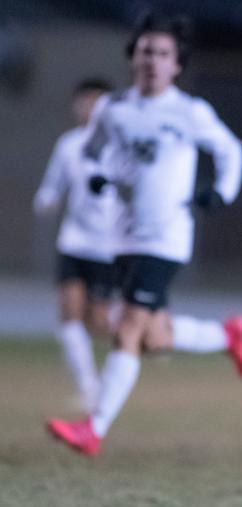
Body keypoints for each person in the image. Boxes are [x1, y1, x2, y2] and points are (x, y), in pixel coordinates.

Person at [45, 10, 242, 456]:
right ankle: (227, 336)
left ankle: (93, 428)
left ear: (176, 64)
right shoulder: (112, 108)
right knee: (153, 335)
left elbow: (230, 150)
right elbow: (93, 152)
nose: (152, 60)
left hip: (166, 237)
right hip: (120, 238)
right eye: (145, 51)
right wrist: (98, 176)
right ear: (132, 57)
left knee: (127, 331)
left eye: (162, 54)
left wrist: (221, 191)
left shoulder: (189, 111)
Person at [33, 78, 119, 412]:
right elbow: (52, 187)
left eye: (98, 101)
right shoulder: (68, 145)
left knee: (98, 323)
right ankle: (89, 388)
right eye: (84, 101)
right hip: (74, 242)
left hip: (107, 246)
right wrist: (46, 200)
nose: (90, 108)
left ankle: (141, 331)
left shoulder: (118, 145)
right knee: (68, 315)